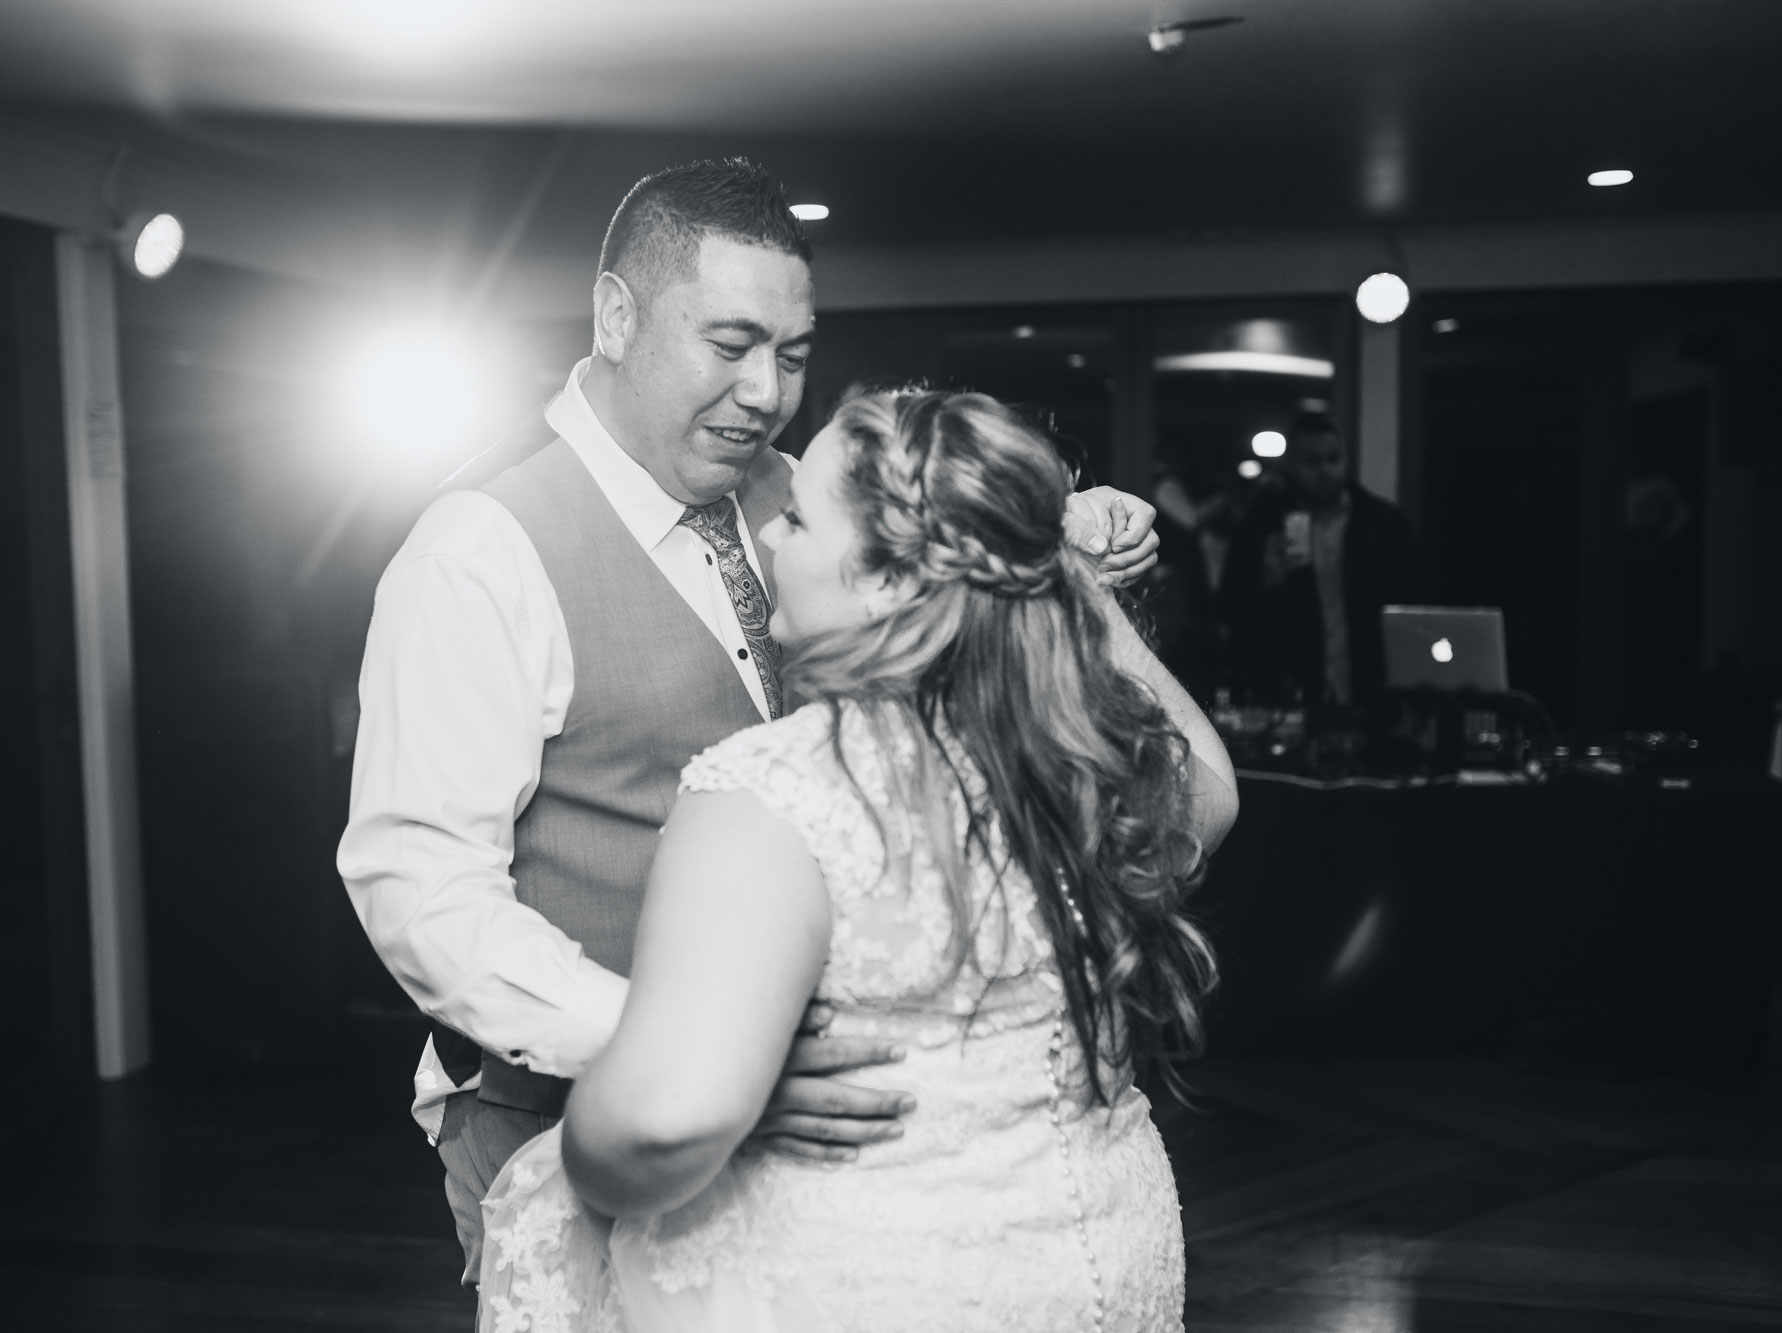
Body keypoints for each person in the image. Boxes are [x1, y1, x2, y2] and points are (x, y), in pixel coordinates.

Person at [337, 158, 1164, 1289]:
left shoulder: (798, 495)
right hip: (581, 1129)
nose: (769, 392)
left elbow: (943, 621)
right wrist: (683, 1051)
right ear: (616, 316)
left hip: (835, 1175)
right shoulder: (480, 549)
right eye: (728, 346)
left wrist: (1062, 542)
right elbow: (420, 882)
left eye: (793, 353)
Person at [476, 388, 1239, 1331]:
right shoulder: (1083, 762)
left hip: (873, 1287)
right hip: (1095, 1271)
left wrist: (591, 1131)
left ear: (885, 581)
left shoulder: (773, 790)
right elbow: (1212, 783)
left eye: (797, 519)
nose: (770, 542)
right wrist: (1060, 574)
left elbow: (657, 1125)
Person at [1215, 413, 1419, 710]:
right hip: (1289, 692)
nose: (1325, 470)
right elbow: (1230, 611)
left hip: (1371, 689)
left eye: (1333, 458)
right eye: (1312, 461)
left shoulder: (1383, 523)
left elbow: (1408, 605)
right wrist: (1267, 577)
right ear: (1291, 465)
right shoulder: (1261, 525)